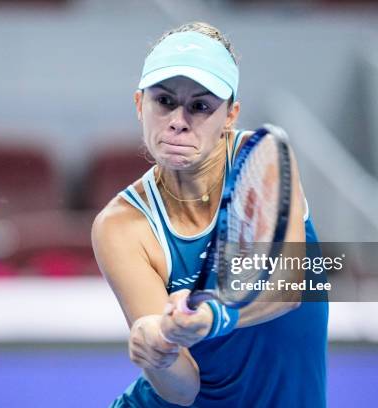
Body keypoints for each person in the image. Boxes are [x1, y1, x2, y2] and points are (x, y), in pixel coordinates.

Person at [92, 22, 328, 407]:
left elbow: (288, 290)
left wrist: (214, 317)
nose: (178, 120)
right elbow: (182, 389)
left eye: (200, 106)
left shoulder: (262, 159)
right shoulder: (120, 226)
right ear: (140, 105)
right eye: (164, 101)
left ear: (231, 115)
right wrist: (160, 350)